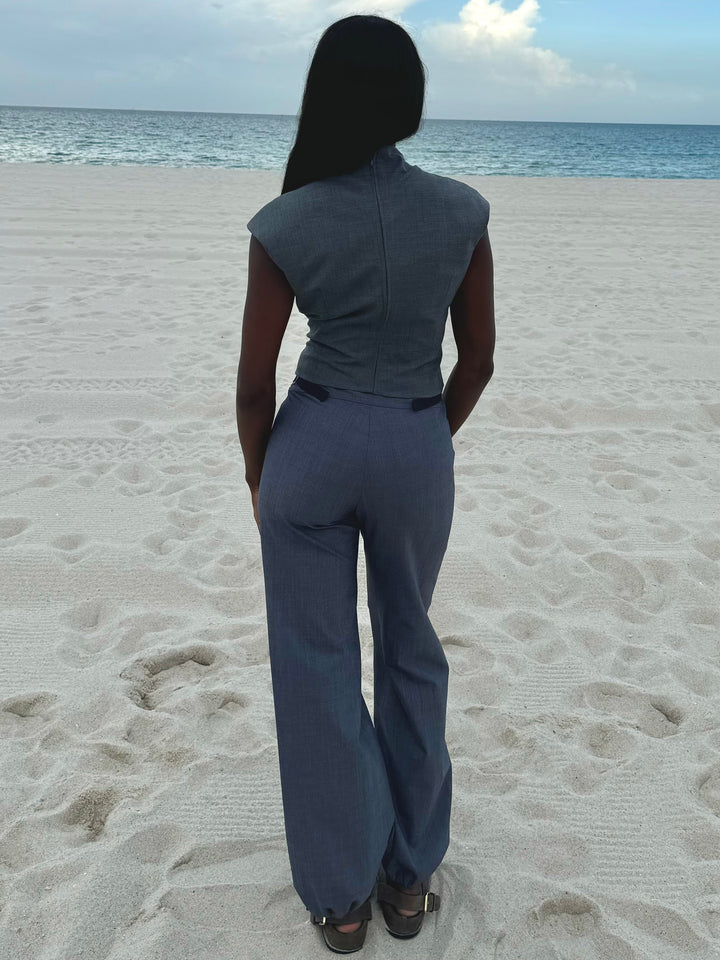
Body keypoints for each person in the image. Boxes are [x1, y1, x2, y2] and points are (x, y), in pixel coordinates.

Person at [236, 13, 494, 954]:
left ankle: (341, 900)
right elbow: (479, 362)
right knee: (413, 652)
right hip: (418, 436)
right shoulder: (463, 210)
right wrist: (425, 439)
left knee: (314, 667)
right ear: (408, 99)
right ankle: (409, 880)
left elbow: (255, 382)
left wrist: (262, 476)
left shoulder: (288, 218)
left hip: (314, 439)